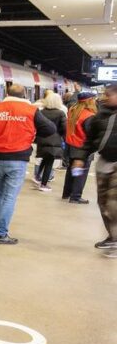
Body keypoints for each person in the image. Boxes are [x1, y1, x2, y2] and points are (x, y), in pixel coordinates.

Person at [0, 84, 55, 245]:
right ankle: (0, 233)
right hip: (18, 158)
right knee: (9, 197)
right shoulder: (31, 110)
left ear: (7, 93)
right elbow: (50, 129)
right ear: (24, 94)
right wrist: (31, 133)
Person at [76, 84, 117, 250]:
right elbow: (89, 140)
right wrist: (80, 157)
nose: (106, 97)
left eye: (110, 94)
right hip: (104, 162)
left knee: (114, 203)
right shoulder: (100, 116)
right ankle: (112, 235)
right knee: (103, 202)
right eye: (106, 94)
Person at [63, 92, 98, 204]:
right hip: (82, 147)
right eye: (93, 99)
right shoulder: (89, 116)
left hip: (71, 146)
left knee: (71, 170)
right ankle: (76, 196)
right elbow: (91, 134)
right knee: (80, 172)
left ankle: (67, 193)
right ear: (90, 101)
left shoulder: (73, 111)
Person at [33, 93, 66, 192]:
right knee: (49, 162)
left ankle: (37, 177)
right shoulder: (60, 113)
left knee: (44, 159)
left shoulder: (41, 112)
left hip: (42, 139)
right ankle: (43, 184)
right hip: (54, 140)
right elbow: (64, 128)